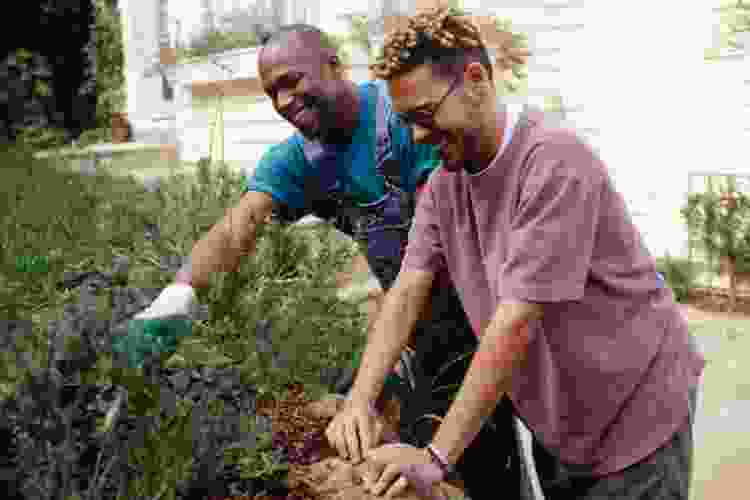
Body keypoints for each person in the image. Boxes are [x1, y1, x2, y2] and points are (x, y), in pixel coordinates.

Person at [114, 22, 530, 500]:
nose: (284, 100)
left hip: (486, 321)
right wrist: (177, 297)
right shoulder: (301, 160)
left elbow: (431, 256)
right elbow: (237, 226)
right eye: (272, 92)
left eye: (293, 80)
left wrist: (371, 386)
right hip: (417, 334)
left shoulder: (404, 118)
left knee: (492, 468)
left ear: (334, 66)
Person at [327, 7, 706, 500]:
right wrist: (359, 399)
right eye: (406, 124)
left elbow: (514, 323)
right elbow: (408, 288)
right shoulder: (445, 185)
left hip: (636, 410)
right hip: (564, 421)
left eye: (425, 115)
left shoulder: (552, 162)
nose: (418, 135)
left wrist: (436, 458)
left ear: (476, 79)